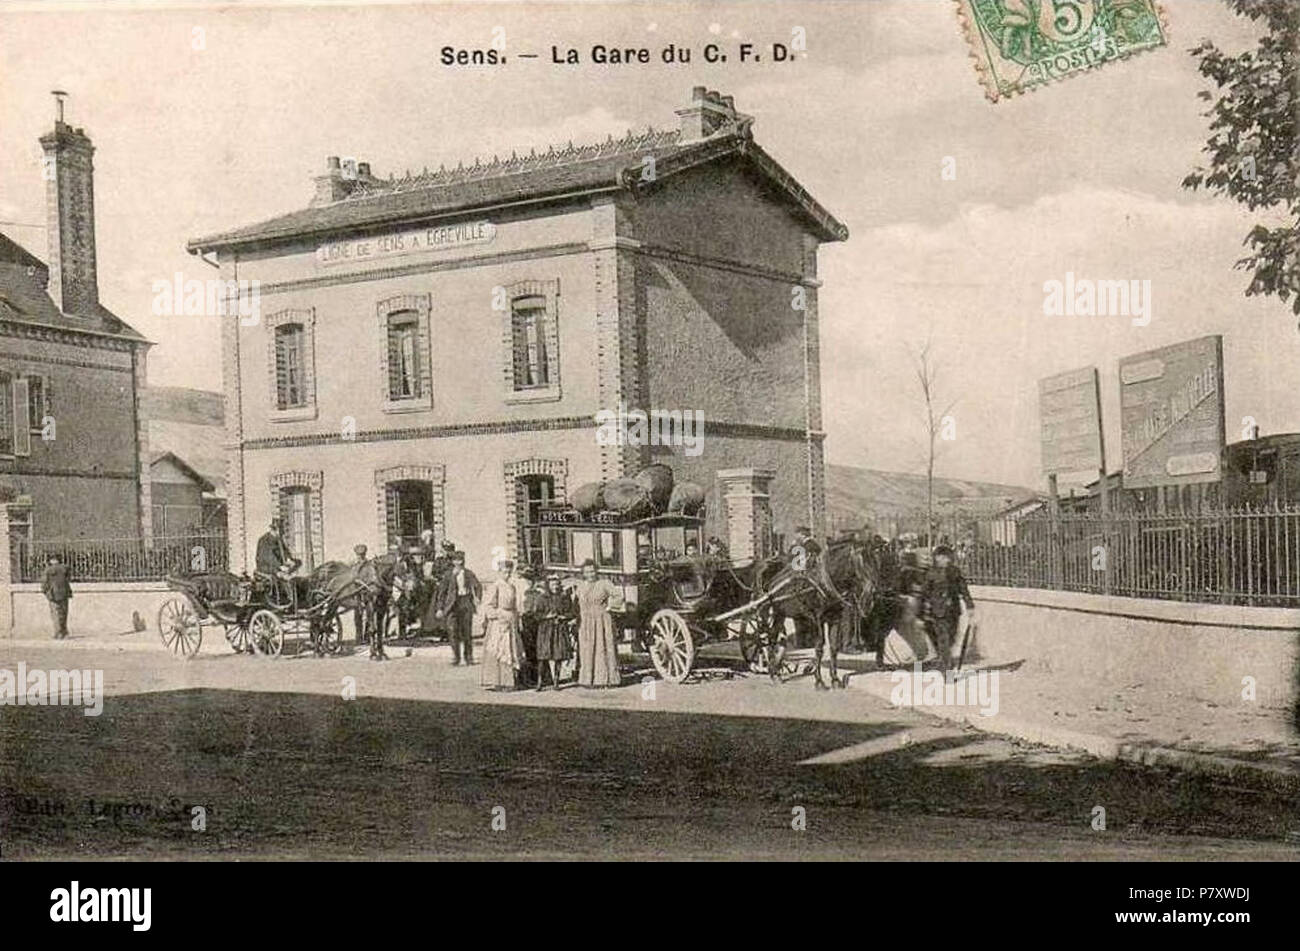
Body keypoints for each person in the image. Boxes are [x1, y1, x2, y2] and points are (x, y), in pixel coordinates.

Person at [923, 544, 975, 673]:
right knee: (944, 639)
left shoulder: (954, 571)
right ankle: (947, 671)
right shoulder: (930, 573)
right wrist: (926, 608)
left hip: (953, 610)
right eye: (943, 557)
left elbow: (963, 588)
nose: (947, 560)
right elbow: (925, 592)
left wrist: (969, 605)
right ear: (937, 558)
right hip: (937, 612)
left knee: (951, 639)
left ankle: (944, 660)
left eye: (948, 557)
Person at [574, 559, 622, 687]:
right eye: (587, 572)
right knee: (587, 648)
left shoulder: (604, 584)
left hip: (602, 620)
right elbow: (576, 603)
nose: (590, 574)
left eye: (592, 571)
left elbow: (618, 596)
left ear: (596, 571)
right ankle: (587, 679)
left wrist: (609, 607)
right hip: (585, 621)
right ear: (583, 573)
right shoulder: (580, 586)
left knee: (603, 648)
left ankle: (605, 679)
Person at [480, 559, 525, 690]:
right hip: (499, 623)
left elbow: (515, 605)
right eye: (505, 572)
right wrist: (498, 615)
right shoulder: (496, 586)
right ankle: (497, 681)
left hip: (510, 621)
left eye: (509, 572)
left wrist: (516, 619)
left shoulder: (511, 586)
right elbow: (488, 605)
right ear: (499, 572)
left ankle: (509, 681)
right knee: (499, 649)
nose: (507, 574)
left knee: (511, 650)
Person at [433, 551, 481, 665]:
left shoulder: (469, 573)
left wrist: (477, 598)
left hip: (465, 603)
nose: (458, 562)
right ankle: (456, 656)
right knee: (452, 631)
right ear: (453, 562)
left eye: (460, 560)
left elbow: (477, 586)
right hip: (452, 606)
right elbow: (442, 593)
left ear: (463, 561)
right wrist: (440, 608)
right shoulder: (448, 575)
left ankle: (469, 656)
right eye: (455, 560)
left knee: (467, 632)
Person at [533, 575, 574, 690]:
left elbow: (571, 613)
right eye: (552, 584)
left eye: (556, 584)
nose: (555, 587)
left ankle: (556, 681)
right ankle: (540, 682)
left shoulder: (564, 598)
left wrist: (563, 617)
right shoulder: (542, 598)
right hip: (545, 630)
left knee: (558, 656)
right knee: (542, 656)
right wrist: (546, 616)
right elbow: (536, 615)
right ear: (548, 586)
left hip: (559, 629)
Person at [255, 518, 300, 606]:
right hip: (266, 568)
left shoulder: (278, 540)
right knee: (284, 577)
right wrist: (280, 567)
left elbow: (285, 551)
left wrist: (290, 560)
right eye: (281, 531)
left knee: (296, 568)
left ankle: (294, 600)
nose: (282, 533)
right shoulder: (264, 540)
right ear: (274, 530)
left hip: (278, 567)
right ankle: (285, 600)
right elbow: (268, 557)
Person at [41, 554, 72, 640]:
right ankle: (64, 632)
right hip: (64, 593)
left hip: (53, 594)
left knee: (55, 614)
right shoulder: (65, 568)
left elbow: (44, 583)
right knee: (64, 613)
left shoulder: (48, 570)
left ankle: (58, 633)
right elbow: (68, 580)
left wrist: (46, 592)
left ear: (52, 560)